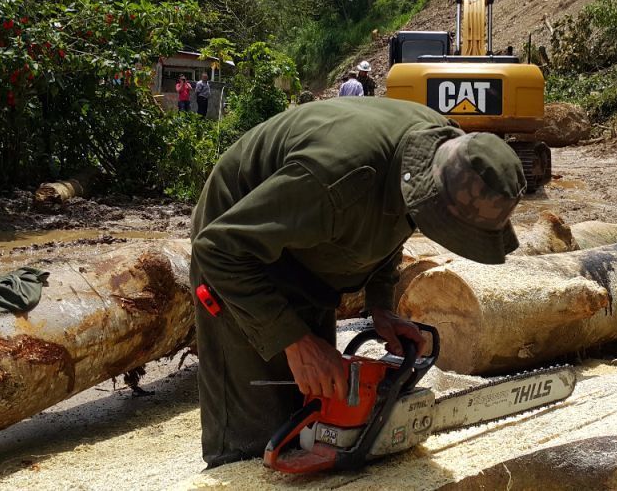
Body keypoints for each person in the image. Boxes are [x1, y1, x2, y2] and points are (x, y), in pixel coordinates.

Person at [189, 96, 526, 467]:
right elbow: (217, 249)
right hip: (237, 251)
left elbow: (397, 217)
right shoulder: (336, 179)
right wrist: (295, 341)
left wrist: (381, 304)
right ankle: (235, 459)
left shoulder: (447, 154)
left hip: (308, 252)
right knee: (258, 435)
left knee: (314, 405)